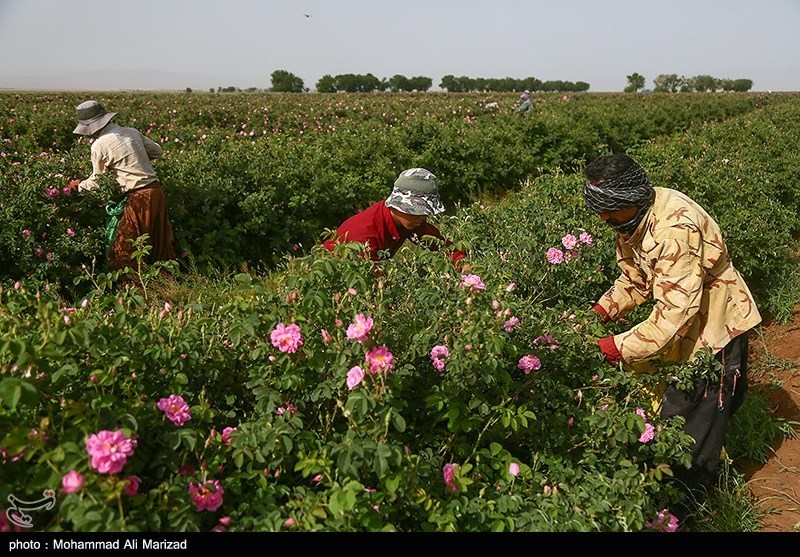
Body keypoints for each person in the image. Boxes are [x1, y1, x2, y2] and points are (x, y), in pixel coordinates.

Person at [583, 153, 762, 500]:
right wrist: (601, 311)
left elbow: (671, 318)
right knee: (684, 411)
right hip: (686, 322)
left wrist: (612, 348)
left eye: (610, 209)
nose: (604, 218)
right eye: (600, 210)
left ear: (630, 198)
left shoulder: (673, 229)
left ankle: (688, 505)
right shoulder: (633, 217)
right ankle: (696, 472)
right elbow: (636, 279)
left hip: (716, 328)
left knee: (692, 419)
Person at [68, 100, 176, 273]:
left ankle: (133, 290)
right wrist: (135, 159)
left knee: (127, 249)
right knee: (158, 245)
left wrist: (78, 186)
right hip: (156, 192)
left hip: (139, 198)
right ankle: (165, 287)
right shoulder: (131, 132)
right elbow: (157, 151)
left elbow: (96, 182)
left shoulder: (99, 145)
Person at [323, 168, 467, 269]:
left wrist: (464, 266)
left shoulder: (410, 220)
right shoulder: (364, 233)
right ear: (398, 206)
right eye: (417, 211)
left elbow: (443, 247)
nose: (423, 218)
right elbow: (373, 280)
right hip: (330, 275)